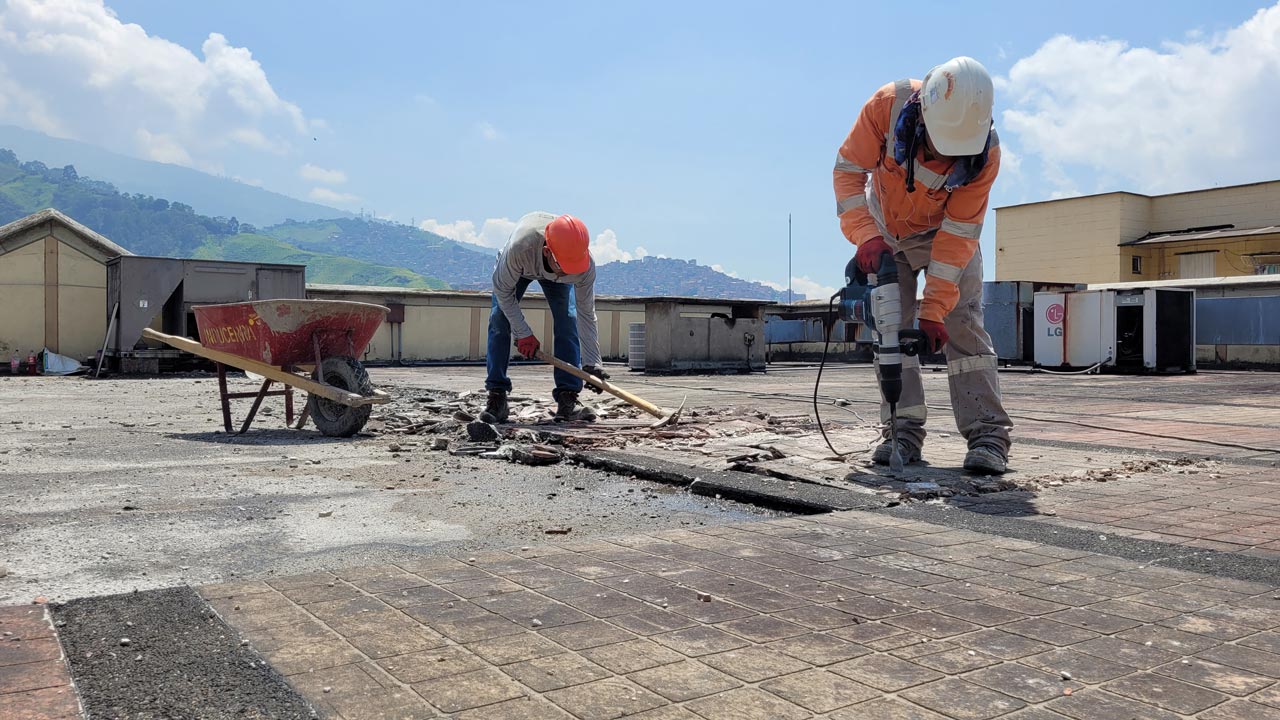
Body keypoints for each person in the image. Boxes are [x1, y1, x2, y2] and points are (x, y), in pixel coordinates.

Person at [832, 56, 1012, 474]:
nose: (941, 160)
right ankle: (902, 432)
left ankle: (988, 436)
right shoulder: (886, 106)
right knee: (891, 327)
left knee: (963, 325)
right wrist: (866, 235)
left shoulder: (985, 155)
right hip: (884, 232)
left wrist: (935, 312)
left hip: (944, 235)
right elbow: (847, 175)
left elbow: (958, 236)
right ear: (924, 114)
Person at [481, 211, 608, 423]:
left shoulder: (583, 265)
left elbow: (586, 313)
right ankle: (497, 396)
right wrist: (523, 333)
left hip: (549, 266)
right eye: (564, 267)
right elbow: (503, 292)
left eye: (572, 269)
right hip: (521, 267)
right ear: (548, 251)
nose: (567, 273)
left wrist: (592, 363)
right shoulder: (519, 249)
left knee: (568, 319)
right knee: (499, 320)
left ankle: (568, 399)